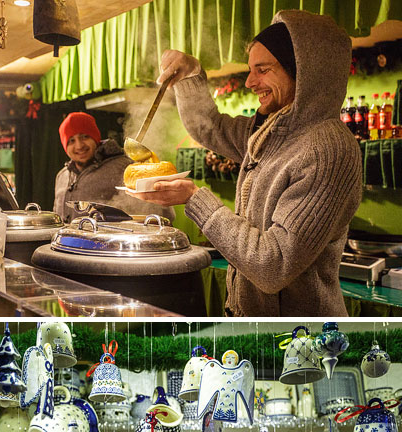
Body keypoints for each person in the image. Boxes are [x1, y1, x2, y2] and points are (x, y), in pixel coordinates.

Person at [128, 10, 362, 316]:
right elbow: (210, 127)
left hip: (299, 338)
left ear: (303, 71)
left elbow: (273, 265)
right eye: (251, 70)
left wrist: (194, 199)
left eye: (263, 70)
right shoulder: (272, 132)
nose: (251, 82)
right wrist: (191, 74)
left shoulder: (327, 149)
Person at [53, 111, 173, 222]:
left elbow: (162, 212)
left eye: (85, 136)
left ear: (95, 138)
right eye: (71, 141)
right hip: (66, 244)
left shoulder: (124, 167)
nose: (79, 146)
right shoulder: (62, 175)